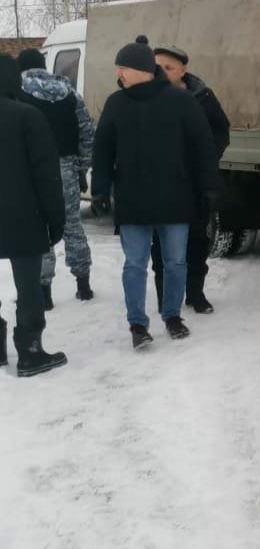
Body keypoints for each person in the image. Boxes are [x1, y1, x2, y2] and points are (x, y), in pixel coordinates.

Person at [91, 38, 222, 348]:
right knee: (135, 265)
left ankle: (173, 316)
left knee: (175, 262)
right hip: (133, 200)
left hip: (175, 197)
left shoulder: (180, 101)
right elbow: (103, 150)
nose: (119, 74)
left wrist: (210, 186)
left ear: (140, 70)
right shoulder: (116, 103)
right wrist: (99, 189)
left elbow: (203, 146)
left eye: (122, 68)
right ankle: (137, 324)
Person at [0, 54, 68, 376]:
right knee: (28, 287)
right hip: (24, 217)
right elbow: (47, 175)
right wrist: (56, 221)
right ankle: (30, 352)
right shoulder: (28, 117)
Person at [150, 44, 231, 314]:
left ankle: (195, 294)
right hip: (161, 184)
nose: (161, 72)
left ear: (183, 70)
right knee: (161, 245)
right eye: (157, 66)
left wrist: (206, 158)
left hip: (195, 183)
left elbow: (221, 130)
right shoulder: (146, 96)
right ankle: (166, 297)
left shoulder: (202, 96)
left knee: (197, 241)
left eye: (168, 67)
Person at [16, 47, 95, 307]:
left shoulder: (18, 95)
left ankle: (45, 292)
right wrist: (82, 169)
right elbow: (86, 135)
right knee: (73, 224)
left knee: (40, 227)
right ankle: (83, 284)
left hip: (33, 172)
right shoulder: (70, 93)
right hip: (68, 168)